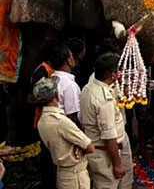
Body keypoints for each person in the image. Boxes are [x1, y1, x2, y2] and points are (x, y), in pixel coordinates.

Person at [80, 53, 133, 188]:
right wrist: (117, 164)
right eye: (118, 71)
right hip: (105, 153)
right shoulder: (104, 101)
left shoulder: (88, 88)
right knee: (108, 185)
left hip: (99, 149)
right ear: (112, 75)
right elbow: (109, 136)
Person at [35, 76, 95, 189]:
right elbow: (90, 147)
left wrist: (79, 146)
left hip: (63, 174)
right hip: (75, 177)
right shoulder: (61, 121)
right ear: (56, 95)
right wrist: (81, 147)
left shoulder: (41, 121)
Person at [49, 43, 81, 124]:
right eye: (71, 56)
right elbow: (72, 116)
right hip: (64, 126)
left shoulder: (50, 78)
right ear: (68, 61)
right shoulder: (69, 85)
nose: (73, 58)